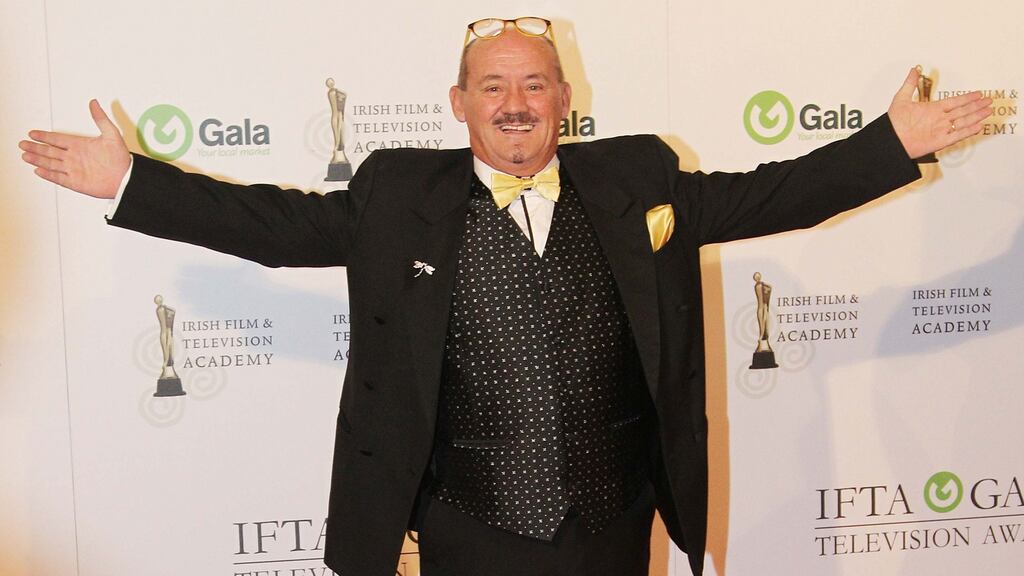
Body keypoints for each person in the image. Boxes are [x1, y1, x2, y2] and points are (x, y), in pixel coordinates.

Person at [19, 17, 992, 576]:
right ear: (458, 104)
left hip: (614, 522)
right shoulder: (401, 193)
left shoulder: (638, 179)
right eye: (492, 86)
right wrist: (131, 182)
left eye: (533, 83)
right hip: (469, 526)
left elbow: (773, 195)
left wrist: (891, 144)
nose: (514, 102)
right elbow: (276, 230)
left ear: (564, 98)